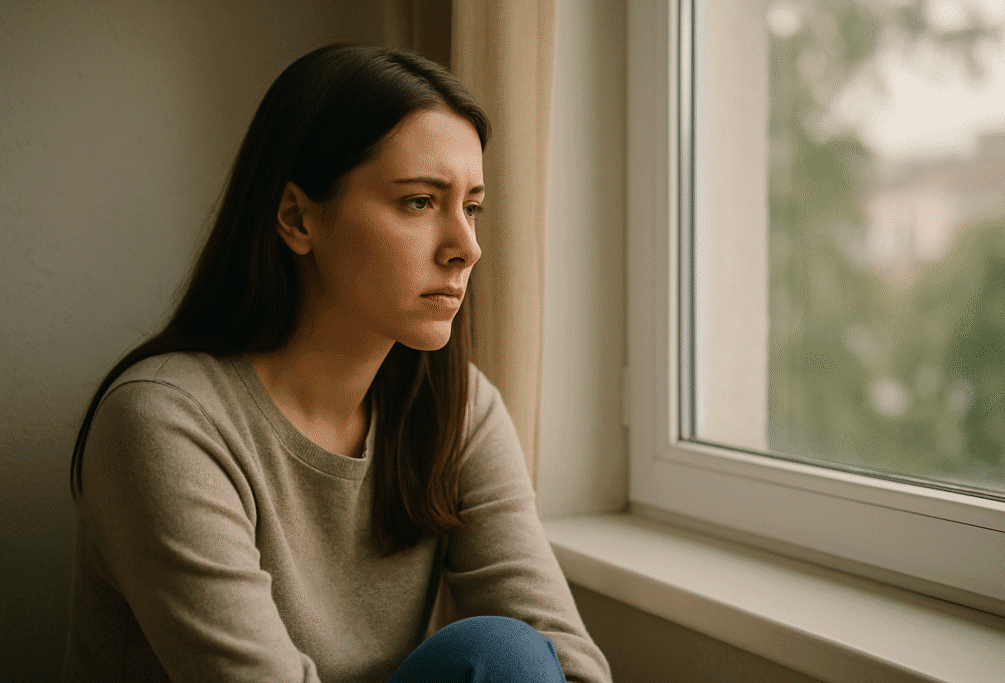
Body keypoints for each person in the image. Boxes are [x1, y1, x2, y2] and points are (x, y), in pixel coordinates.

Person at [60, 43, 613, 683]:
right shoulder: (164, 421)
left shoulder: (458, 407)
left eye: (471, 207)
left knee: (506, 652)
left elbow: (567, 659)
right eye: (419, 202)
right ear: (298, 218)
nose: (467, 248)